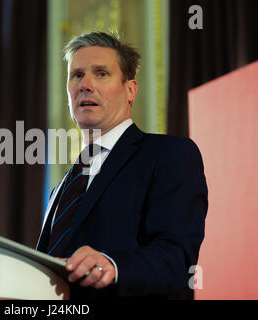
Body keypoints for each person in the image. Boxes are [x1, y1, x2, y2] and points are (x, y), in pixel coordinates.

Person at [36, 31, 208, 299]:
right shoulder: (60, 188)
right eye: (77, 75)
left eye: (101, 73)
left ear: (130, 89)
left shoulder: (169, 155)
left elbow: (178, 263)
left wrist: (113, 266)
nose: (85, 85)